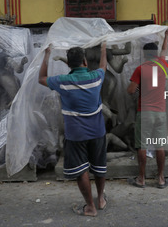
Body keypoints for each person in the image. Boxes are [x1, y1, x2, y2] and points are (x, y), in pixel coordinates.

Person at [39, 43, 108, 216]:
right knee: (99, 166)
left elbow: (41, 78)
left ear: (68, 64)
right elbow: (103, 66)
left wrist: (46, 55)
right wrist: (104, 48)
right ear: (85, 61)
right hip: (98, 132)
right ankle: (100, 199)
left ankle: (90, 207)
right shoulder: (96, 77)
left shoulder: (63, 81)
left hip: (76, 134)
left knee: (81, 170)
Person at [126, 29, 168, 189]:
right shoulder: (163, 64)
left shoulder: (141, 68)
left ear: (145, 54)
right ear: (156, 53)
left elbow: (130, 90)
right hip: (160, 113)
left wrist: (139, 88)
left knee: (142, 145)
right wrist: (166, 36)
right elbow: (164, 51)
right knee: (160, 146)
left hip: (144, 113)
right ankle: (160, 179)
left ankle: (142, 179)